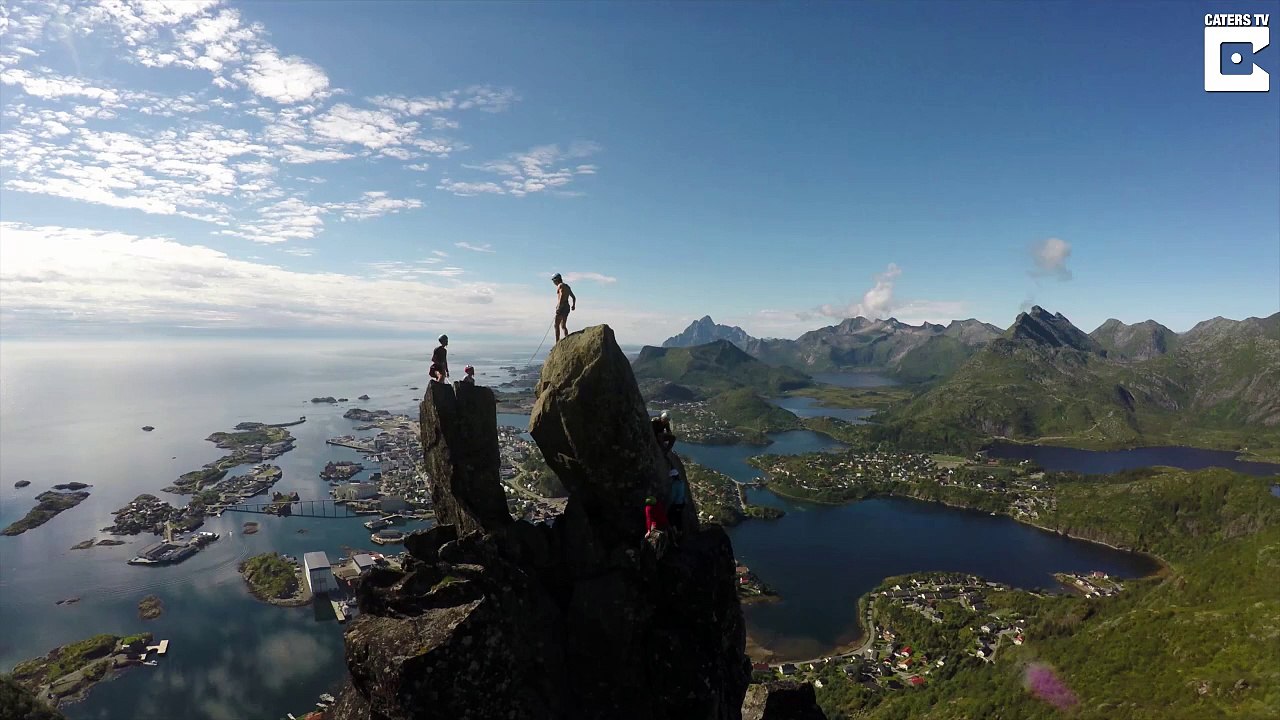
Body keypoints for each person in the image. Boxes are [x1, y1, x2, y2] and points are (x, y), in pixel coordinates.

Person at [551, 273, 576, 343]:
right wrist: (573, 305)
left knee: (556, 325)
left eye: (553, 281)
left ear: (556, 280)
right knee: (563, 326)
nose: (553, 283)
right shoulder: (567, 286)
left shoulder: (560, 285)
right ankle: (567, 341)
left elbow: (561, 295)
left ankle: (557, 343)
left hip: (562, 306)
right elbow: (574, 297)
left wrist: (559, 306)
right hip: (567, 307)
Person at [667, 468, 688, 540]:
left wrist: (669, 504)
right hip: (682, 503)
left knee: (669, 515)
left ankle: (675, 531)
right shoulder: (682, 482)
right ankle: (680, 532)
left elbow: (673, 496)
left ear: (673, 477)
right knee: (679, 517)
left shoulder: (675, 485)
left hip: (677, 503)